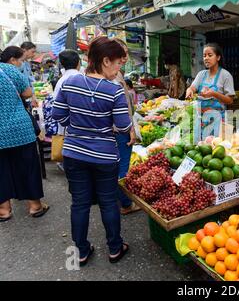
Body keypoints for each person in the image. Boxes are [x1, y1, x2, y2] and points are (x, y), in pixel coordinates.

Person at [52, 36, 132, 266]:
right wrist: (104, 124)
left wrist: (78, 124)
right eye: (118, 63)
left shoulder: (68, 83)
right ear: (105, 60)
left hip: (74, 154)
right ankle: (115, 248)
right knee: (108, 202)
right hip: (105, 155)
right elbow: (124, 125)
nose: (118, 69)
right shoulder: (114, 90)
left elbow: (57, 116)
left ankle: (82, 252)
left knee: (80, 203)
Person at [0, 50, 49, 222]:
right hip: (19, 129)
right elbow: (28, 93)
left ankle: (3, 210)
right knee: (27, 166)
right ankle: (35, 206)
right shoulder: (8, 69)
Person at [112, 38, 140, 216]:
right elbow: (120, 109)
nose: (124, 57)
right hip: (120, 129)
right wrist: (130, 129)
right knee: (122, 167)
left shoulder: (116, 74)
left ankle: (120, 199)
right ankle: (126, 204)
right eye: (121, 53)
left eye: (126, 53)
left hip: (118, 128)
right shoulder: (113, 78)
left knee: (118, 166)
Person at [185, 43, 235, 137]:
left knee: (216, 147)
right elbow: (192, 87)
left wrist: (214, 94)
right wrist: (190, 90)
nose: (206, 58)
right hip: (202, 120)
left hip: (219, 120)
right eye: (204, 56)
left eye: (210, 55)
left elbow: (230, 100)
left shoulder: (225, 75)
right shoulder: (201, 74)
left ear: (218, 57)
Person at [19, 42, 38, 108]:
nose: (34, 54)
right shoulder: (17, 64)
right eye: (32, 52)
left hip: (27, 96)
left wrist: (33, 97)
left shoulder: (27, 63)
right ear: (24, 50)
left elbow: (30, 81)